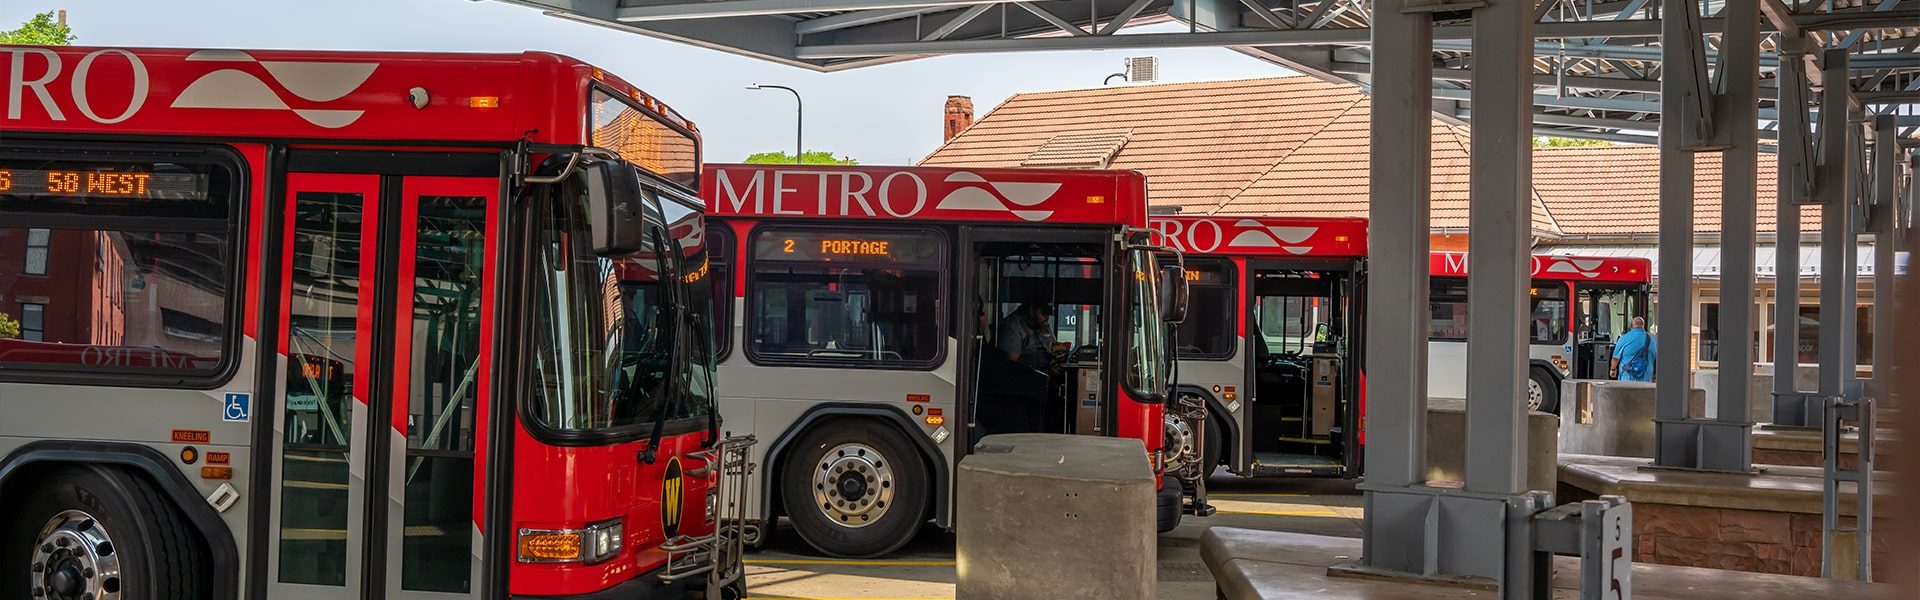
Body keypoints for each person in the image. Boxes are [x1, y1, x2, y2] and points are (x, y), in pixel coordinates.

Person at [997, 302, 1055, 371]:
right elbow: (1010, 365)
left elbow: (1054, 348)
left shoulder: (1042, 324)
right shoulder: (1012, 327)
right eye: (1043, 313)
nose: (1047, 317)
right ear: (1031, 311)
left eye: (1048, 314)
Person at [1609, 316, 1657, 382]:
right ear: (1643, 326)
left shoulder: (1624, 338)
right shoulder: (1653, 340)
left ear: (1631, 326)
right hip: (1647, 380)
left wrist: (1613, 369)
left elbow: (1615, 358)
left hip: (1627, 378)